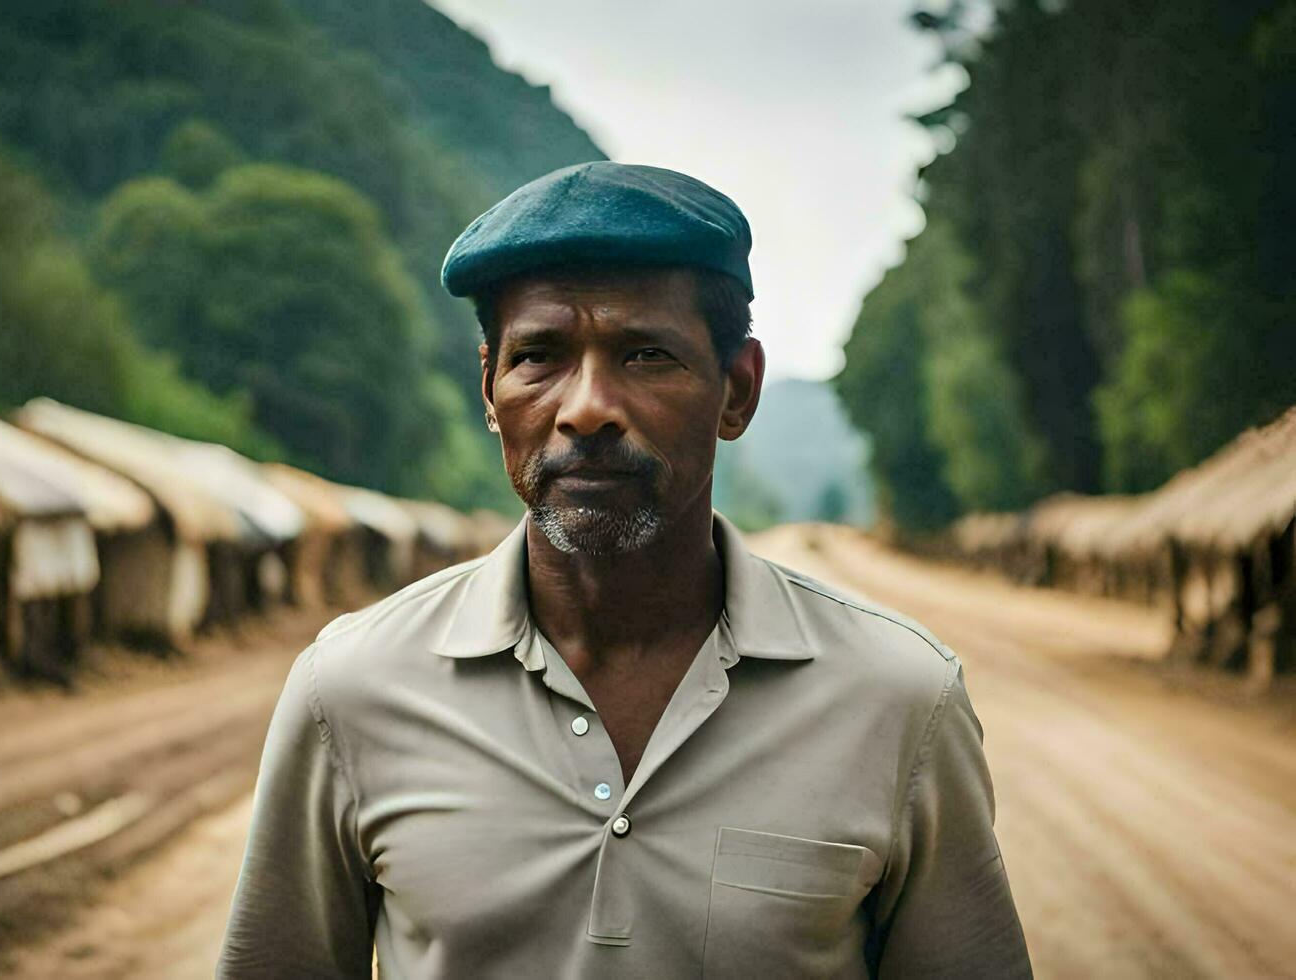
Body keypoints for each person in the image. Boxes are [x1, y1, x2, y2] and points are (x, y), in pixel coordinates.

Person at [218, 162, 1031, 978]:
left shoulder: (897, 698)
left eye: (644, 355)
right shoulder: (351, 690)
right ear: (490, 391)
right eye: (539, 356)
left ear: (736, 391)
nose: (585, 408)